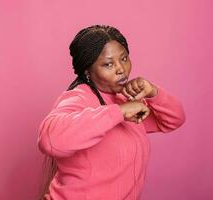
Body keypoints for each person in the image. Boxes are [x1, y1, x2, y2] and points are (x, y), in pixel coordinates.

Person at [36, 24, 186, 200]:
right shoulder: (79, 98)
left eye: (124, 58)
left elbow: (174, 119)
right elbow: (49, 140)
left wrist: (153, 91)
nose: (121, 69)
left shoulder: (126, 99)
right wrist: (119, 112)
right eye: (108, 64)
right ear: (88, 71)